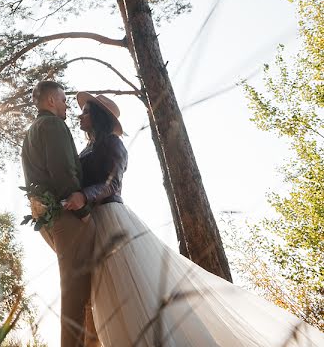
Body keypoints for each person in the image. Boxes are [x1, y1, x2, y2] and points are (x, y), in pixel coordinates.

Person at [68, 91, 324, 347]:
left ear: (99, 116)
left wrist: (84, 195)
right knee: (104, 297)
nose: (81, 116)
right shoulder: (87, 148)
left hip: (111, 220)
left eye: (87, 112)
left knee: (130, 292)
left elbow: (112, 185)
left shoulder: (114, 144)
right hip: (91, 222)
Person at [21, 80, 96, 347]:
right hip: (67, 216)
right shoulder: (53, 125)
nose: (67, 106)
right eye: (64, 100)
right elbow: (63, 171)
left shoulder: (31, 131)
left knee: (81, 291)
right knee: (75, 295)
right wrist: (84, 211)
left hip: (47, 220)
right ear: (51, 101)